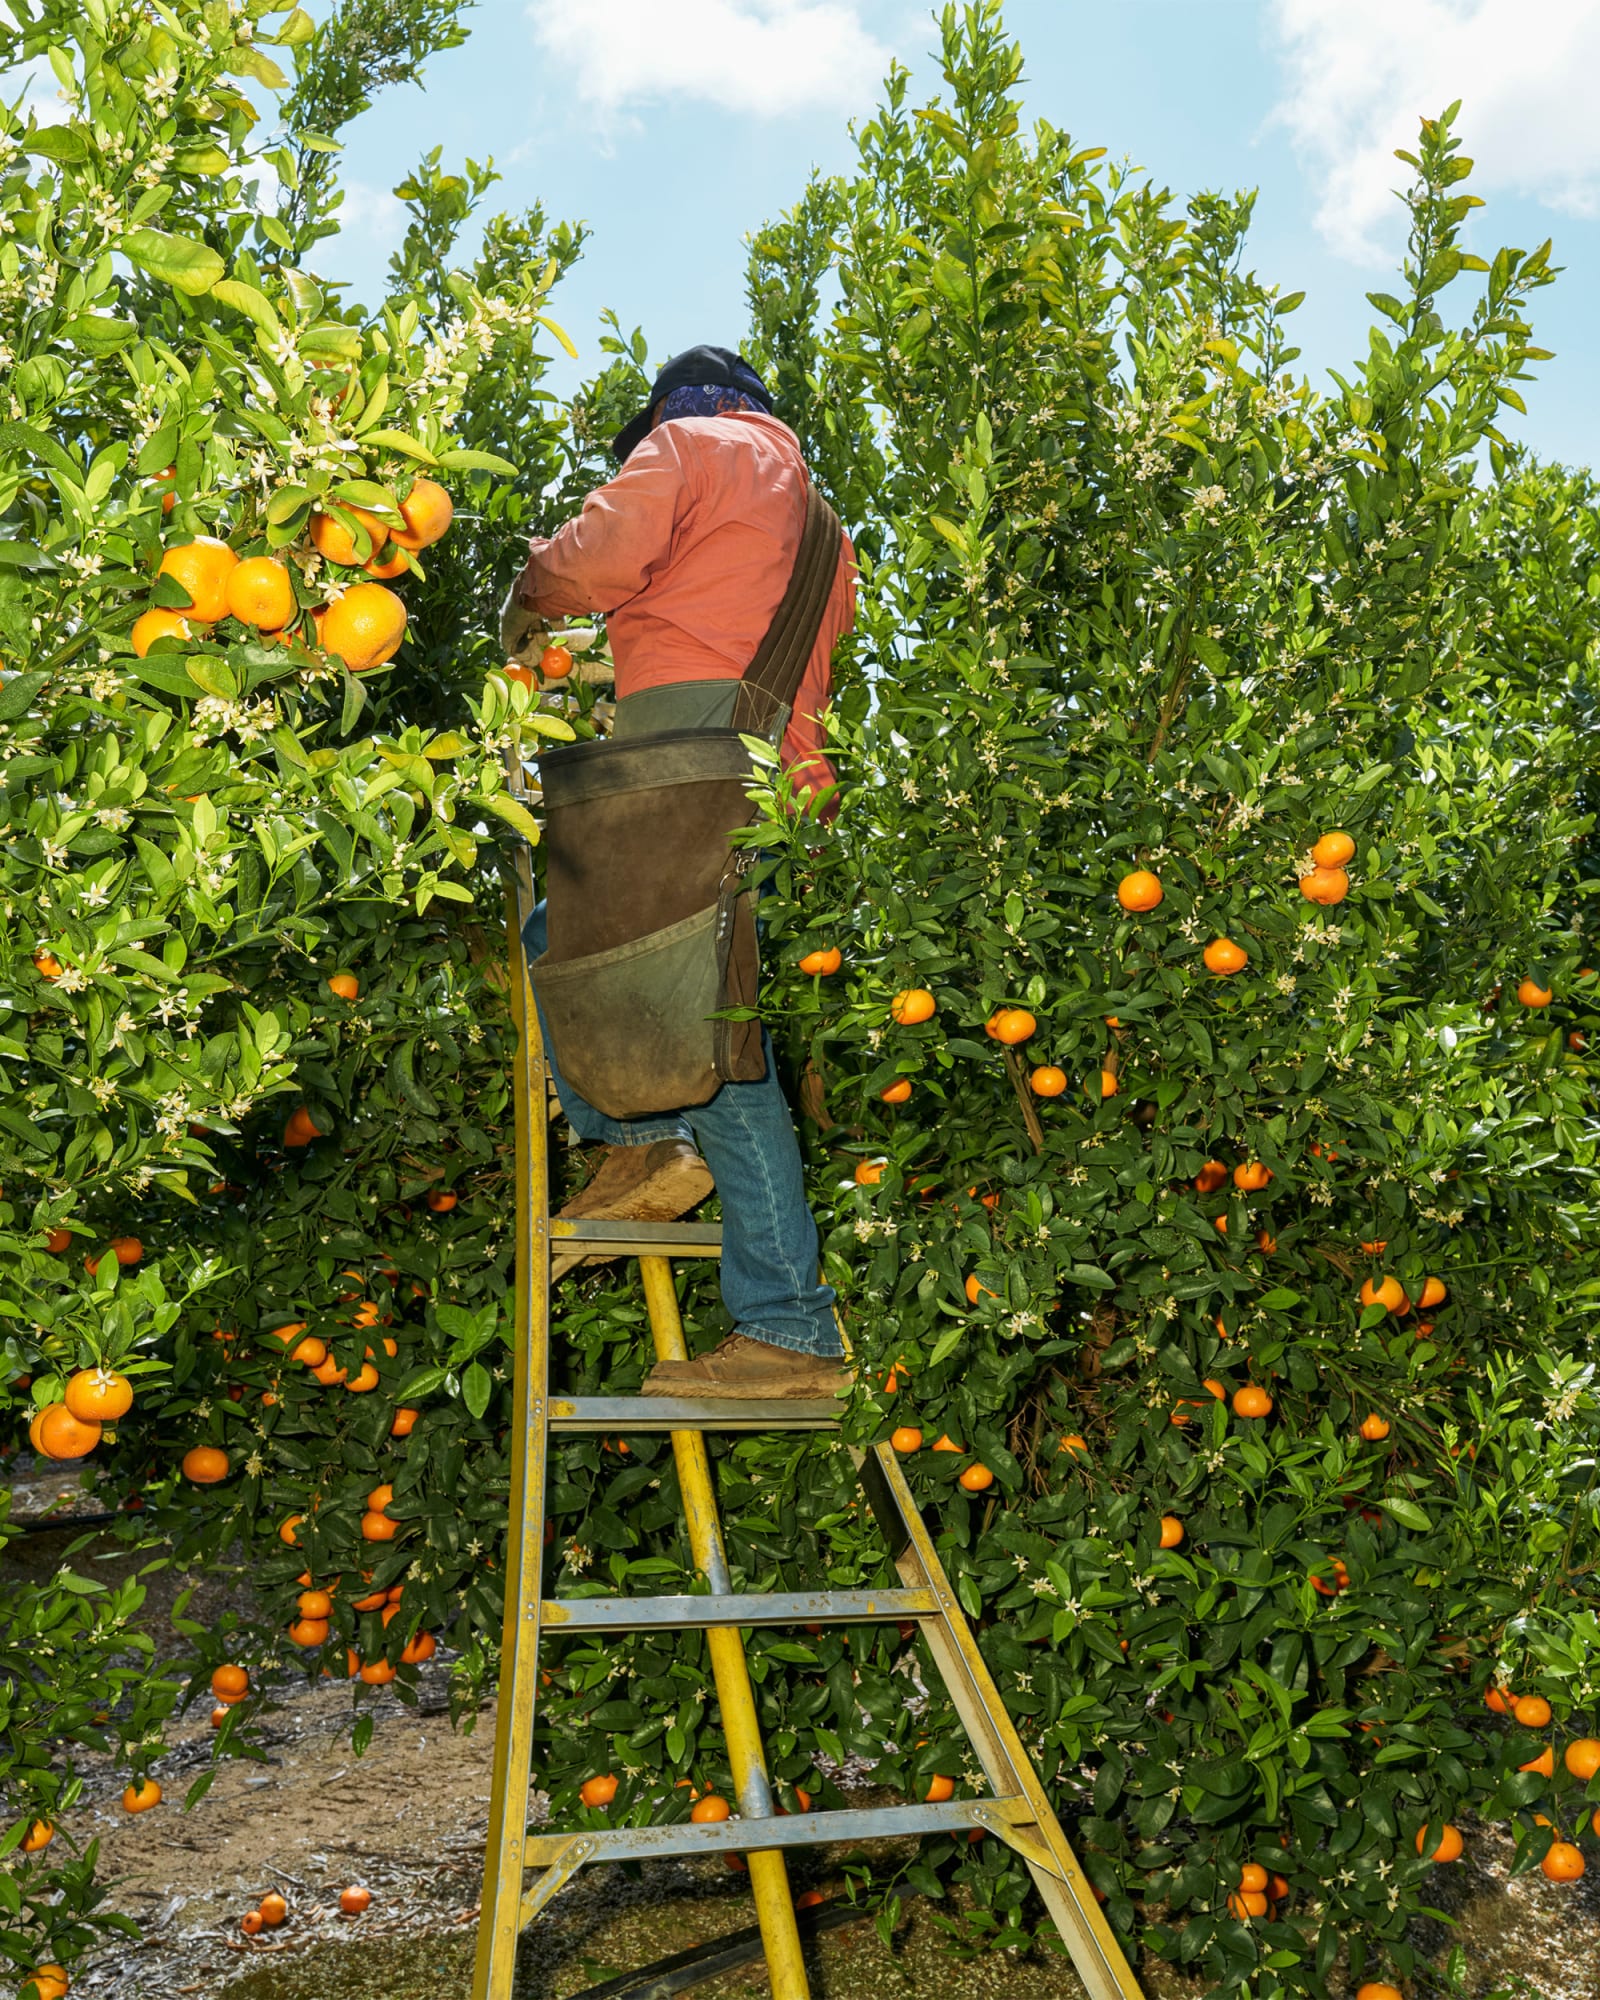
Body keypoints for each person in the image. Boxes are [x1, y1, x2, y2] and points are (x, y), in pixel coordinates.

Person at [504, 346, 854, 1400]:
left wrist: (530, 587)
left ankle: (785, 1320)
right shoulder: (823, 524)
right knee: (675, 990)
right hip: (783, 776)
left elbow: (602, 555)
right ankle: (649, 1145)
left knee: (700, 1028)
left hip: (692, 755)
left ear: (674, 409)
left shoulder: (692, 445)